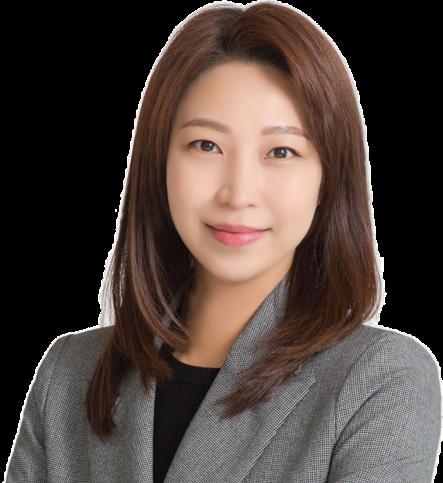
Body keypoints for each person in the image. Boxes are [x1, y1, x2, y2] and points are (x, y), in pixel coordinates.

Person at [5, 2, 442, 482]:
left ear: (328, 178)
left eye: (281, 151)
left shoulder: (379, 378)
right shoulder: (70, 375)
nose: (238, 193)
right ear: (159, 163)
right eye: (205, 145)